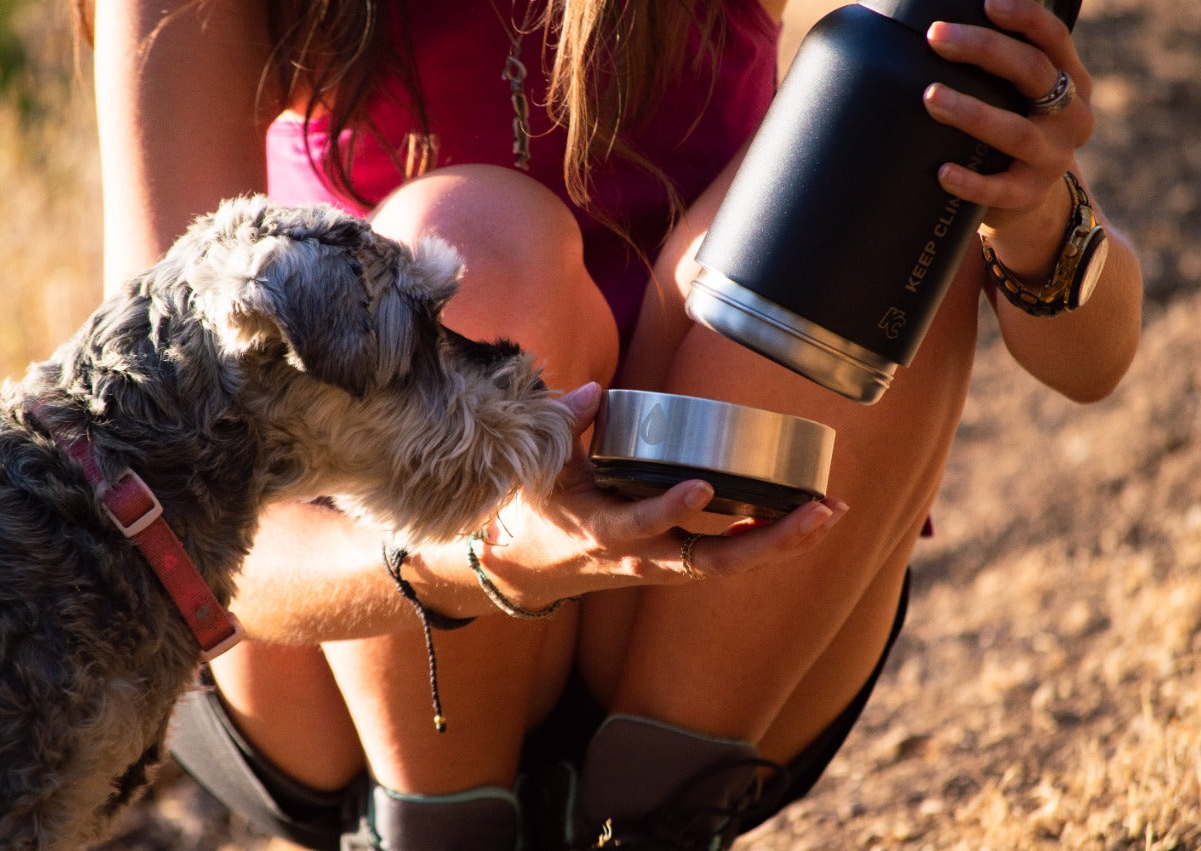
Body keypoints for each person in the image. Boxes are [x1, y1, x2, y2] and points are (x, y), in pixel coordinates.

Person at [75, 0, 1142, 848]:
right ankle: (439, 827)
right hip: (349, 643)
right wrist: (481, 561)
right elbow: (174, 504)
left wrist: (1038, 216)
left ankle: (655, 822)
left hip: (700, 626)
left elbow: (1090, 363)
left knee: (911, 133)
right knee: (474, 254)